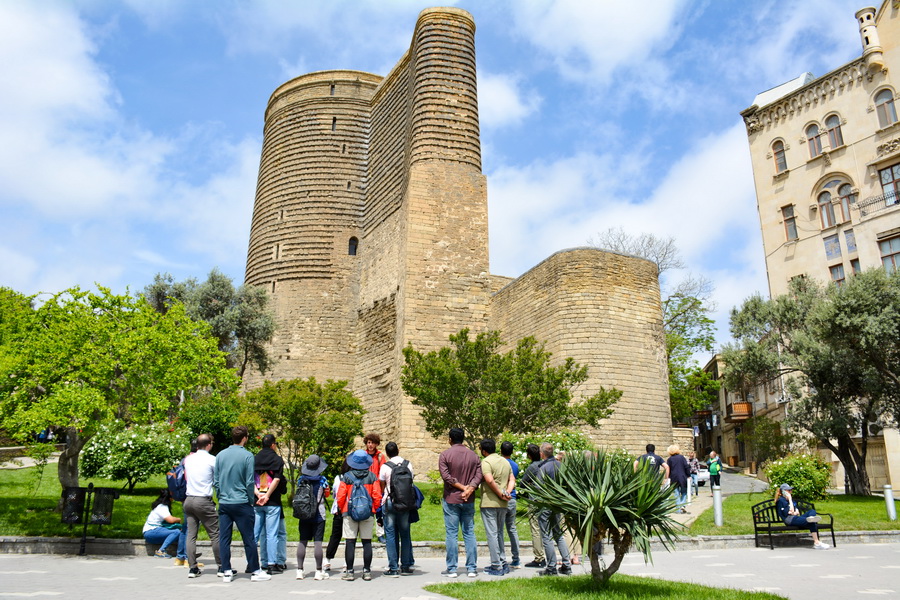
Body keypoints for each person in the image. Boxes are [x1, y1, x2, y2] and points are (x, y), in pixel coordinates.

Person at [214, 425, 271, 583]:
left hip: (225, 502)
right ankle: (255, 570)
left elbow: (216, 481)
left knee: (224, 538)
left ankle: (226, 570)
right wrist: (251, 501)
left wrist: (220, 496)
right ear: (244, 438)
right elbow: (249, 481)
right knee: (249, 538)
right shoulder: (247, 456)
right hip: (241, 502)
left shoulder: (220, 455)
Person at [438, 427, 482, 578]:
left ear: (450, 439)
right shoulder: (474, 456)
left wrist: (463, 487)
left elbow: (446, 476)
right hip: (468, 499)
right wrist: (470, 488)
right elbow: (478, 475)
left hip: (452, 498)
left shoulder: (445, 455)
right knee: (469, 532)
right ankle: (471, 568)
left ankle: (452, 568)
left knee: (452, 533)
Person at [336, 449, 382, 581]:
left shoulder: (347, 477)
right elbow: (377, 496)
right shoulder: (372, 477)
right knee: (367, 542)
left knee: (350, 542)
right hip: (367, 513)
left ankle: (350, 572)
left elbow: (340, 496)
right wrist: (373, 508)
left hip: (350, 512)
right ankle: (367, 571)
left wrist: (342, 508)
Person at [182, 433, 220, 577]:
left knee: (191, 535)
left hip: (189, 499)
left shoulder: (188, 459)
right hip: (203, 500)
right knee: (215, 535)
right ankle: (222, 566)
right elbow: (217, 479)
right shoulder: (212, 460)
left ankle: (192, 568)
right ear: (209, 444)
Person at [378, 441, 415, 577]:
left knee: (391, 535)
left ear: (387, 453)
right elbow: (411, 481)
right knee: (405, 534)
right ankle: (405, 566)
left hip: (389, 502)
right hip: (405, 503)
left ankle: (393, 567)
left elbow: (382, 486)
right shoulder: (408, 464)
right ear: (398, 450)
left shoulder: (385, 467)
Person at [534, 442, 571, 576]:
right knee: (558, 534)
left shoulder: (543, 468)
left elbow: (538, 487)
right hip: (558, 504)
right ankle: (567, 564)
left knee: (546, 536)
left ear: (541, 454)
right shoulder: (561, 466)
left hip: (545, 504)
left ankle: (551, 567)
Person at [479, 438, 513, 576]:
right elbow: (512, 479)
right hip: (503, 502)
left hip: (490, 501)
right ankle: (502, 561)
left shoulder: (486, 462)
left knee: (492, 533)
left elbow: (489, 479)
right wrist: (507, 493)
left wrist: (499, 493)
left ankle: (496, 565)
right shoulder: (505, 461)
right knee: (499, 532)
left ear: (484, 451)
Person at [253, 434, 287, 575]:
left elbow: (249, 480)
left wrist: (258, 494)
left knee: (257, 533)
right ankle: (272, 563)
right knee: (272, 533)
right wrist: (267, 495)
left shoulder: (254, 459)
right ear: (273, 444)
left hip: (257, 501)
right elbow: (277, 480)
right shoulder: (277, 459)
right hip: (272, 501)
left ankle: (257, 562)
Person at [296, 454, 331, 580]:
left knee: (303, 541)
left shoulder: (301, 480)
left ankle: (299, 570)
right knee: (317, 542)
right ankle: (318, 571)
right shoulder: (323, 480)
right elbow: (327, 494)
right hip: (318, 514)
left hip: (304, 513)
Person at [774, 483, 829, 549]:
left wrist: (794, 511)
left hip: (795, 517)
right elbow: (788, 513)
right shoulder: (781, 501)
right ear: (783, 491)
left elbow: (796, 512)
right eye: (789, 491)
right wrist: (790, 500)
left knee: (812, 512)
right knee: (811, 522)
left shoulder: (791, 500)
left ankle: (811, 518)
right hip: (789, 519)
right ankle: (816, 542)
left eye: (791, 490)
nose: (790, 492)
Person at [520, 444, 546, 569]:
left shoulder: (532, 467)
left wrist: (530, 484)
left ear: (529, 455)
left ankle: (539, 557)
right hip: (547, 500)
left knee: (536, 529)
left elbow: (523, 483)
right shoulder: (545, 465)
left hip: (535, 500)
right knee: (546, 529)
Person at [142, 489, 187, 563]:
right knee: (176, 532)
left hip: (153, 532)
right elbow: (170, 520)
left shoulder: (159, 505)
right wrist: (178, 519)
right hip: (151, 532)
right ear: (170, 498)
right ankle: (161, 551)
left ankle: (185, 554)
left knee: (181, 534)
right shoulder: (162, 507)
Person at [323, 458, 351, 573]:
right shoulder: (354, 478)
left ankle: (327, 560)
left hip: (338, 510)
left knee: (335, 536)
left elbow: (335, 494)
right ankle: (346, 562)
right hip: (350, 510)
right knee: (349, 537)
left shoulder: (338, 478)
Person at [499, 441, 521, 569]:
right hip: (512, 497)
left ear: (500, 451)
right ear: (512, 452)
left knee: (500, 530)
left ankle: (501, 558)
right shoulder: (515, 465)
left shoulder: (500, 464)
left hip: (502, 498)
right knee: (512, 529)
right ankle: (516, 558)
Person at [666, 445, 691, 514]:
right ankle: (682, 504)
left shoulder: (669, 459)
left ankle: (678, 509)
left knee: (676, 494)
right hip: (682, 477)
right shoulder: (681, 457)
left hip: (674, 478)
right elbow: (686, 466)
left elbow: (669, 469)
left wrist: (667, 477)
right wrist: (688, 475)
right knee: (684, 492)